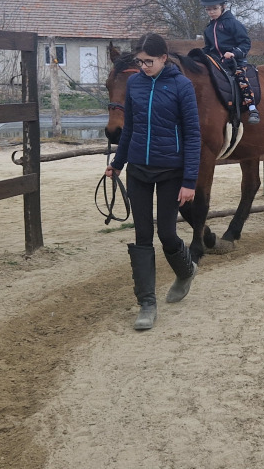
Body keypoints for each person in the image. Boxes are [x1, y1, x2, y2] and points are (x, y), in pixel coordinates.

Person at [104, 34, 201, 331]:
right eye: (140, 61)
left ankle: (185, 270)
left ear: (163, 58)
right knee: (142, 235)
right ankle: (147, 303)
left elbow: (193, 135)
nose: (144, 67)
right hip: (138, 170)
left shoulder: (182, 86)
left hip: (171, 171)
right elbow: (130, 128)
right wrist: (117, 163)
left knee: (167, 234)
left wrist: (189, 180)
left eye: (149, 61)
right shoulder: (135, 84)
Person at [200, 0, 260, 125]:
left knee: (241, 78)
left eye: (214, 8)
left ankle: (252, 109)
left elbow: (245, 43)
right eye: (208, 9)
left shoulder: (233, 24)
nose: (211, 12)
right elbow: (209, 48)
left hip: (235, 62)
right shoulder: (208, 29)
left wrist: (234, 53)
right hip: (217, 63)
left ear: (223, 6)